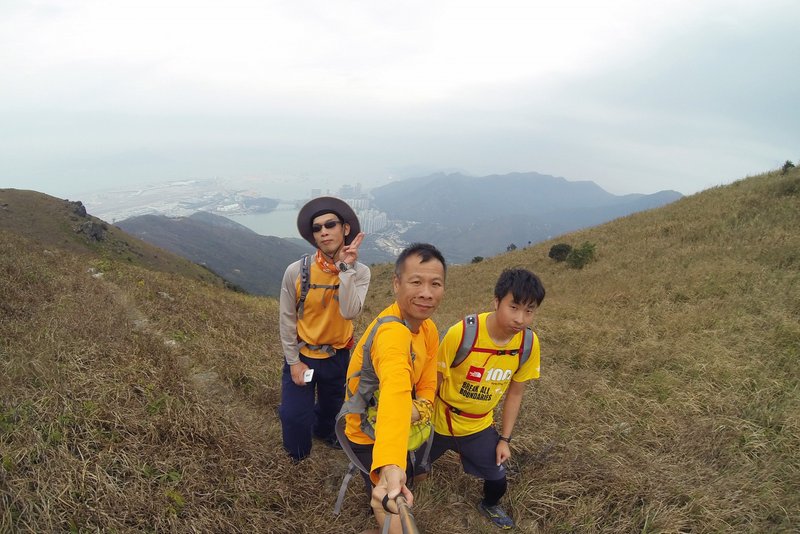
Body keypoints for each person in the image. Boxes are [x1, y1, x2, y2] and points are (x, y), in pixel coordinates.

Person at [342, 243, 446, 534]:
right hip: (366, 432)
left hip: (397, 423)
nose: (426, 293)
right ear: (397, 284)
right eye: (416, 282)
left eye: (435, 284)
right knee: (388, 496)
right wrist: (390, 463)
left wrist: (420, 407)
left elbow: (428, 382)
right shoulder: (391, 333)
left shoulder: (427, 329)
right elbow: (395, 390)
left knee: (403, 477)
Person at [430, 268, 545, 530]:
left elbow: (515, 392)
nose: (520, 318)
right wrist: (418, 421)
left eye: (529, 310)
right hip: (439, 420)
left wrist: (504, 439)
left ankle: (489, 505)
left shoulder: (528, 344)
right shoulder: (462, 333)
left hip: (478, 427)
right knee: (407, 468)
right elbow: (433, 381)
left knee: (498, 480)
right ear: (496, 301)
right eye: (513, 307)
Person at [278, 196, 370, 462]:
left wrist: (346, 270)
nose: (324, 231)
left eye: (330, 224)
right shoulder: (296, 271)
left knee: (333, 410)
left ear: (345, 229)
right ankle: (297, 449)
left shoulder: (361, 272)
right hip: (303, 355)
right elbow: (287, 319)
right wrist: (293, 362)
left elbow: (350, 312)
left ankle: (324, 431)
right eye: (317, 228)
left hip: (338, 356)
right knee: (294, 418)